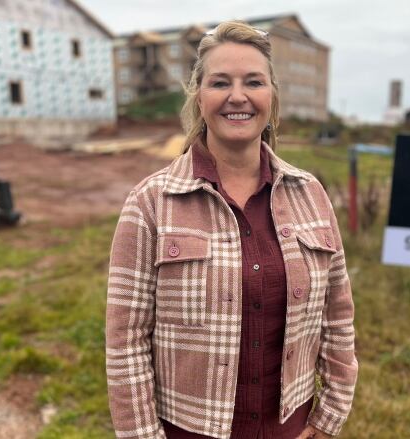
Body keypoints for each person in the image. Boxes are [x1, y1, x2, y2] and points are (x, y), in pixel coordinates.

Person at [106, 20, 358, 439]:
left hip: (290, 430)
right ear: (199, 96)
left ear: (271, 96)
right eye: (220, 82)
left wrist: (328, 418)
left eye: (253, 82)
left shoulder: (310, 194)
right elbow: (126, 342)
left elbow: (338, 317)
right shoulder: (149, 204)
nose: (237, 96)